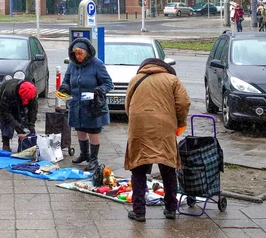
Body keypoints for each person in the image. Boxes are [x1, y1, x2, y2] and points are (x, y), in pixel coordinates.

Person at [124, 58, 190, 222]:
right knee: (167, 167)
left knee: (139, 168)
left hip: (139, 126)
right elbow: (183, 103)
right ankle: (170, 209)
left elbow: (128, 105)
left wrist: (137, 120)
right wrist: (180, 122)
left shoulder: (135, 79)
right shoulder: (172, 80)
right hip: (164, 126)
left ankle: (139, 211)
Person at [59, 37, 113, 171]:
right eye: (75, 54)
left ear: (87, 52)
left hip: (92, 105)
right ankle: (84, 154)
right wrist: (65, 88)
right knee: (79, 129)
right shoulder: (72, 64)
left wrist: (100, 90)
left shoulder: (97, 64)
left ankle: (94, 159)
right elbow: (66, 80)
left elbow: (108, 83)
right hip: (76, 104)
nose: (78, 57)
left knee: (92, 131)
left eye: (80, 54)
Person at [0, 79, 38, 152]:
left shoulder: (32, 93)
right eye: (24, 98)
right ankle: (6, 145)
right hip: (1, 98)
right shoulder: (9, 92)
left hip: (17, 97)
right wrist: (14, 122)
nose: (25, 101)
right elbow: (4, 111)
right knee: (6, 122)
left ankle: (23, 145)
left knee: (23, 121)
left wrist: (31, 124)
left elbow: (33, 110)